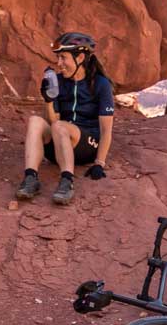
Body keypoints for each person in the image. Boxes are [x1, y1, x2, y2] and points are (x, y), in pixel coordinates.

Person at [17, 31, 115, 206]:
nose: (59, 63)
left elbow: (106, 129)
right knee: (35, 121)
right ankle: (31, 178)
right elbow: (52, 122)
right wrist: (49, 100)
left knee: (60, 127)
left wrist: (99, 163)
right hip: (60, 142)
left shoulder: (100, 84)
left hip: (86, 145)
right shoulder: (60, 82)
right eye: (58, 58)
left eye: (63, 58)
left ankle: (67, 182)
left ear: (80, 58)